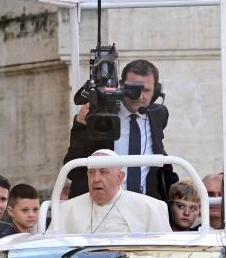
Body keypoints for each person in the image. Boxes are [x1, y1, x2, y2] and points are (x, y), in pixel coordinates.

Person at [63, 59, 179, 200]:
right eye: (133, 89)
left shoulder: (159, 113)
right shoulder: (98, 117)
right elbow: (73, 170)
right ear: (121, 85)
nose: (139, 96)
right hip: (103, 204)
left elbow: (159, 151)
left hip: (145, 204)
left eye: (146, 90)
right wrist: (81, 125)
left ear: (156, 91)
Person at [50, 149, 173, 234]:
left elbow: (162, 257)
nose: (96, 179)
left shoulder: (149, 207)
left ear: (120, 177)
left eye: (104, 172)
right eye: (91, 172)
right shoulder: (66, 209)